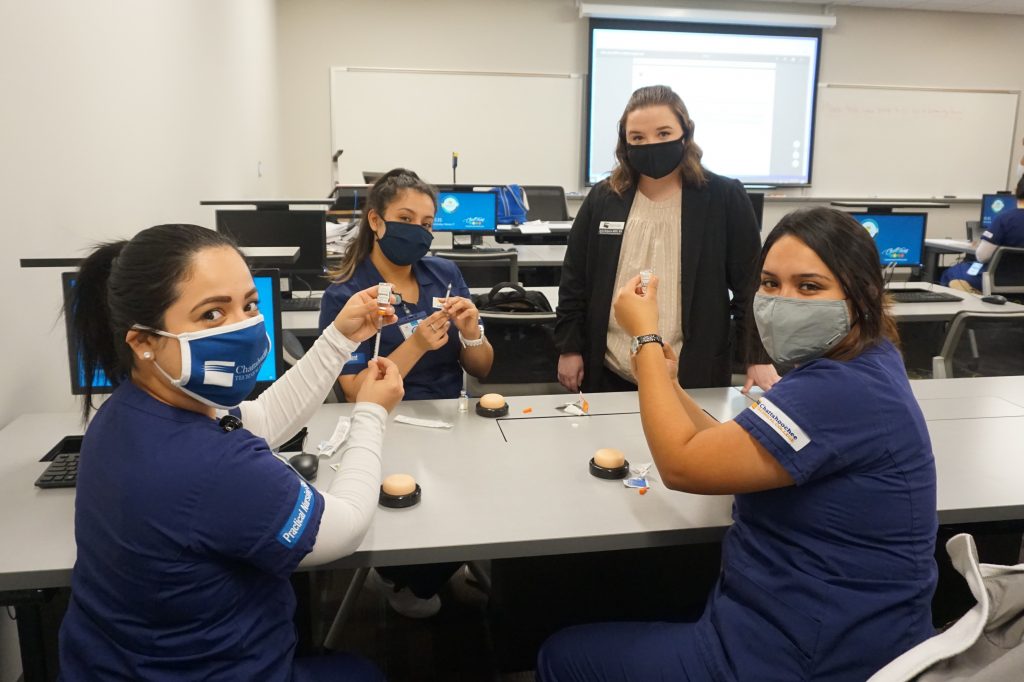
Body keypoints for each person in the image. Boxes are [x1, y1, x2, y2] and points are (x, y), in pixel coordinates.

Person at [538, 207, 938, 681]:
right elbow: (730, 446)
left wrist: (644, 339)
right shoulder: (864, 362)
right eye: (770, 283)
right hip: (813, 625)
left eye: (809, 287)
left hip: (800, 655)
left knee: (561, 656)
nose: (783, 300)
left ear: (863, 294)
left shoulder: (837, 389)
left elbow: (683, 466)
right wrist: (671, 385)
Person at [59, 224, 403, 681]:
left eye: (249, 305)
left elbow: (259, 418)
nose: (242, 327)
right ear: (143, 340)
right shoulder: (211, 465)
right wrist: (371, 415)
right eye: (211, 315)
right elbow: (344, 527)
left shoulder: (129, 410)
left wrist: (341, 338)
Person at [319, 168, 493, 618]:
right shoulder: (347, 295)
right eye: (406, 218)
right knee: (416, 514)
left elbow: (482, 368)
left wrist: (472, 332)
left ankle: (429, 568)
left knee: (484, 500)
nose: (418, 231)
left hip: (449, 420)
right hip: (385, 425)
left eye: (427, 223)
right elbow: (359, 391)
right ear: (376, 222)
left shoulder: (445, 273)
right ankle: (403, 577)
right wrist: (415, 346)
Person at [555, 84, 777, 395]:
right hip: (610, 367)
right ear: (625, 142)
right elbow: (574, 278)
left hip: (692, 373)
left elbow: (749, 287)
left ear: (685, 134)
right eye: (638, 138)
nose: (651, 145)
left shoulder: (724, 197)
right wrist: (569, 348)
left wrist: (757, 356)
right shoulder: (605, 197)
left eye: (663, 134)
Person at [941, 175, 1024, 292]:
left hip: (998, 279)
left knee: (952, 272)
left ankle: (977, 299)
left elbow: (982, 256)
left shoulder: (1004, 219)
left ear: (1016, 190)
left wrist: (981, 245)